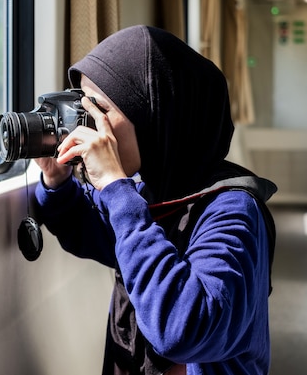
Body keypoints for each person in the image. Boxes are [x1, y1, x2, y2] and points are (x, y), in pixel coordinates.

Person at [33, 25, 277, 375]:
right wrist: (57, 180)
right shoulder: (154, 190)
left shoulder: (235, 212)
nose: (89, 125)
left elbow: (184, 329)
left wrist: (116, 185)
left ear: (154, 117)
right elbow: (95, 232)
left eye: (99, 109)